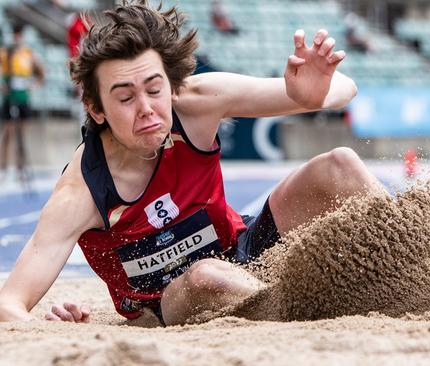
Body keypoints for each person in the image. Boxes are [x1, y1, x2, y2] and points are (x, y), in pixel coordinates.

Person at [0, 0, 383, 326]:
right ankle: (308, 310)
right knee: (205, 278)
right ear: (96, 109)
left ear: (171, 85)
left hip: (246, 251)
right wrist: (52, 328)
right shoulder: (82, 192)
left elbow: (344, 88)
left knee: (340, 166)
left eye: (154, 89)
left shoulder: (196, 102)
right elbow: (9, 304)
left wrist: (313, 97)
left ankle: (428, 264)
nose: (147, 109)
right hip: (172, 300)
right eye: (125, 98)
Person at [0, 24, 45, 183]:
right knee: (8, 133)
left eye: (19, 34)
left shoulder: (28, 53)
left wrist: (33, 85)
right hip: (9, 98)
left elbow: (41, 72)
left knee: (22, 135)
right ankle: (4, 169)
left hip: (23, 98)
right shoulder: (6, 52)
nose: (17, 37)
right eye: (15, 34)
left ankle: (21, 169)